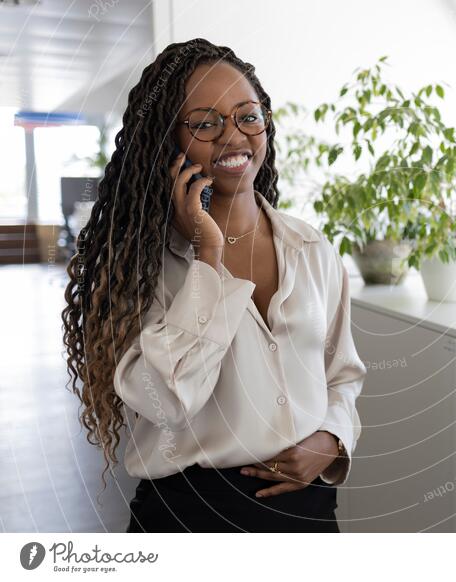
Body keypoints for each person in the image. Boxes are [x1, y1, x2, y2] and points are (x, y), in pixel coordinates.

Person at [61, 38, 367, 532]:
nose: (234, 137)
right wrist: (208, 258)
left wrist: (331, 438)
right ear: (168, 140)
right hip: (192, 515)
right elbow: (165, 399)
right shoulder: (139, 268)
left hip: (307, 512)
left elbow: (343, 374)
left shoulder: (310, 249)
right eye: (205, 123)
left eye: (248, 116)